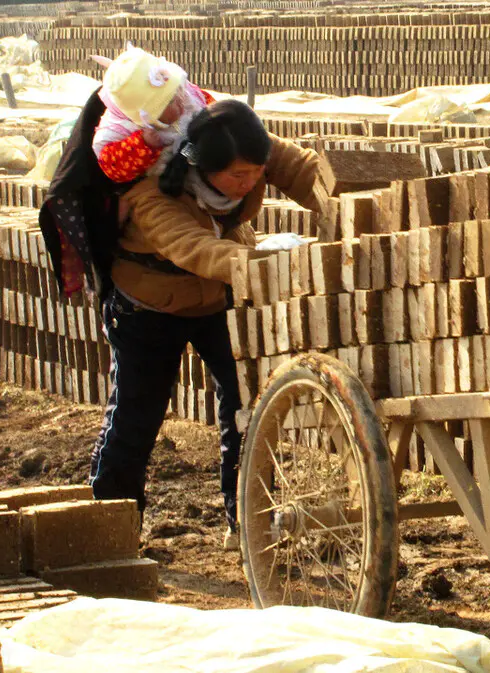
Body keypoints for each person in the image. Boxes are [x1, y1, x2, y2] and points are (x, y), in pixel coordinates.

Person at [87, 99, 324, 551]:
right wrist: (269, 264)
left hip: (219, 296)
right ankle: (110, 530)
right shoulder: (149, 190)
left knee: (248, 407)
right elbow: (195, 248)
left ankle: (248, 521)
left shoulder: (243, 147)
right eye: (238, 176)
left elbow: (299, 169)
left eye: (256, 172)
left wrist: (351, 204)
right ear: (197, 162)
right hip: (149, 306)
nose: (250, 182)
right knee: (138, 415)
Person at [92, 46, 212, 185]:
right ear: (149, 116)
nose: (180, 100)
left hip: (200, 158)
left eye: (178, 90)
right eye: (170, 101)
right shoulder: (120, 129)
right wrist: (144, 144)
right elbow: (111, 167)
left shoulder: (185, 94)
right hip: (164, 182)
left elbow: (207, 105)